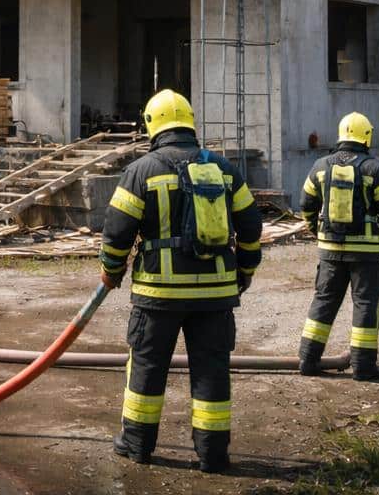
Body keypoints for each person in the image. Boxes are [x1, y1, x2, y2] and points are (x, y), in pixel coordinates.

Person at [98, 89, 261, 474]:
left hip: (159, 294)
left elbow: (117, 231)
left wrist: (112, 269)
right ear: (190, 123)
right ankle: (213, 455)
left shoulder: (141, 171)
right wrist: (245, 270)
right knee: (211, 371)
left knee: (147, 366)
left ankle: (137, 445)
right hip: (216, 295)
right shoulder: (223, 169)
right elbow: (251, 226)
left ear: (151, 126)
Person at [297, 111, 379, 382]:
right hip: (367, 255)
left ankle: (308, 359)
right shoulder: (375, 169)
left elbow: (306, 204)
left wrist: (316, 231)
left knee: (324, 301)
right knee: (366, 303)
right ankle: (363, 367)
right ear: (366, 137)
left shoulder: (320, 166)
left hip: (330, 252)